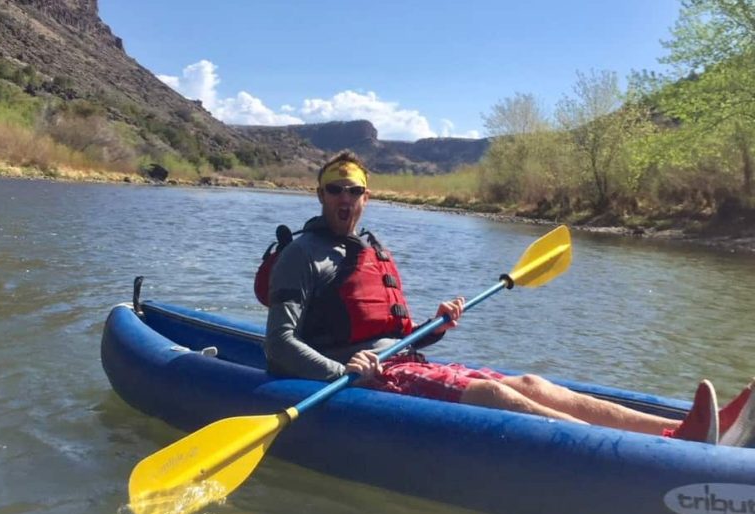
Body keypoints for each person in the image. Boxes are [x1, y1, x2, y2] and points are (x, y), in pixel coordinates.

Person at [264, 150, 755, 446]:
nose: (345, 199)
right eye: (335, 190)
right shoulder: (304, 255)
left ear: (367, 197)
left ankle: (681, 429)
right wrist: (343, 371)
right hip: (360, 380)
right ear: (320, 195)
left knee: (531, 382)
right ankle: (665, 449)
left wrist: (433, 329)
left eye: (355, 191)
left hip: (404, 363)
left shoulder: (373, 250)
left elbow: (391, 336)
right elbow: (279, 345)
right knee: (497, 395)